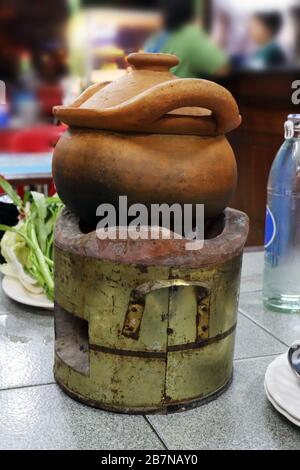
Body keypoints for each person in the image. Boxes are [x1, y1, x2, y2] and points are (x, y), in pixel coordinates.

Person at [144, 0, 228, 78]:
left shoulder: (159, 35)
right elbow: (222, 69)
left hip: (145, 89)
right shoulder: (191, 36)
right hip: (173, 93)